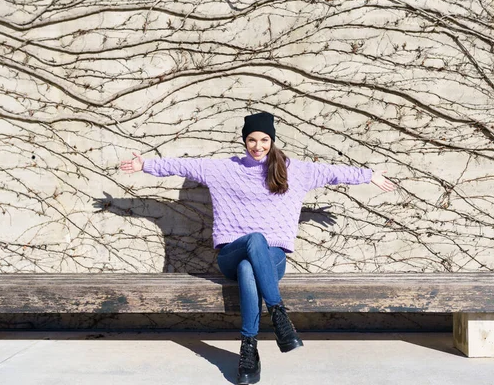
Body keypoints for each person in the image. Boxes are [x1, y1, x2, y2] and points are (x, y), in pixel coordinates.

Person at [120, 111, 396, 384]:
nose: (258, 146)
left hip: (272, 260)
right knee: (253, 241)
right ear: (244, 141)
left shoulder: (294, 171)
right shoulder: (225, 169)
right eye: (252, 140)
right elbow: (183, 166)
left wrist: (368, 175)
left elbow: (332, 173)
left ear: (272, 140)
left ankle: (248, 349)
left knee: (247, 268)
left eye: (264, 139)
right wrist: (145, 165)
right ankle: (279, 317)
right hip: (231, 251)